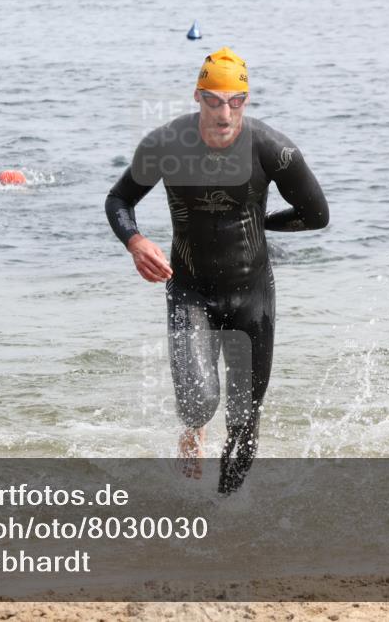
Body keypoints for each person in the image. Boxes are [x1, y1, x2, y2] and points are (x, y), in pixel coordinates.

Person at [105, 47, 329, 494]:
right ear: (197, 97)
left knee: (245, 420)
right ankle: (192, 430)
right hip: (191, 290)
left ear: (246, 100)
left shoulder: (273, 150)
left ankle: (226, 512)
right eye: (213, 100)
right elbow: (119, 200)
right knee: (198, 403)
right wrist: (135, 241)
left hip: (253, 295)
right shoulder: (165, 144)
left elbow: (316, 214)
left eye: (236, 101)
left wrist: (256, 221)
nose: (224, 113)